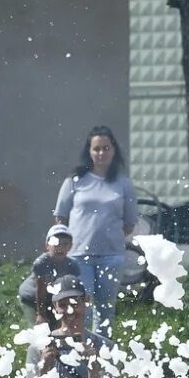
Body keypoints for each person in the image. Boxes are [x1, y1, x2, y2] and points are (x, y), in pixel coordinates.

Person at [53, 126, 140, 344]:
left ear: (114, 150)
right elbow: (61, 217)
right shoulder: (75, 181)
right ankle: (79, 353)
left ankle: (104, 358)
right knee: (83, 307)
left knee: (106, 309)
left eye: (106, 148)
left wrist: (108, 235)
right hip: (79, 255)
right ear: (89, 152)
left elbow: (129, 222)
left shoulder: (123, 183)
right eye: (97, 149)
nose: (101, 153)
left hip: (112, 256)